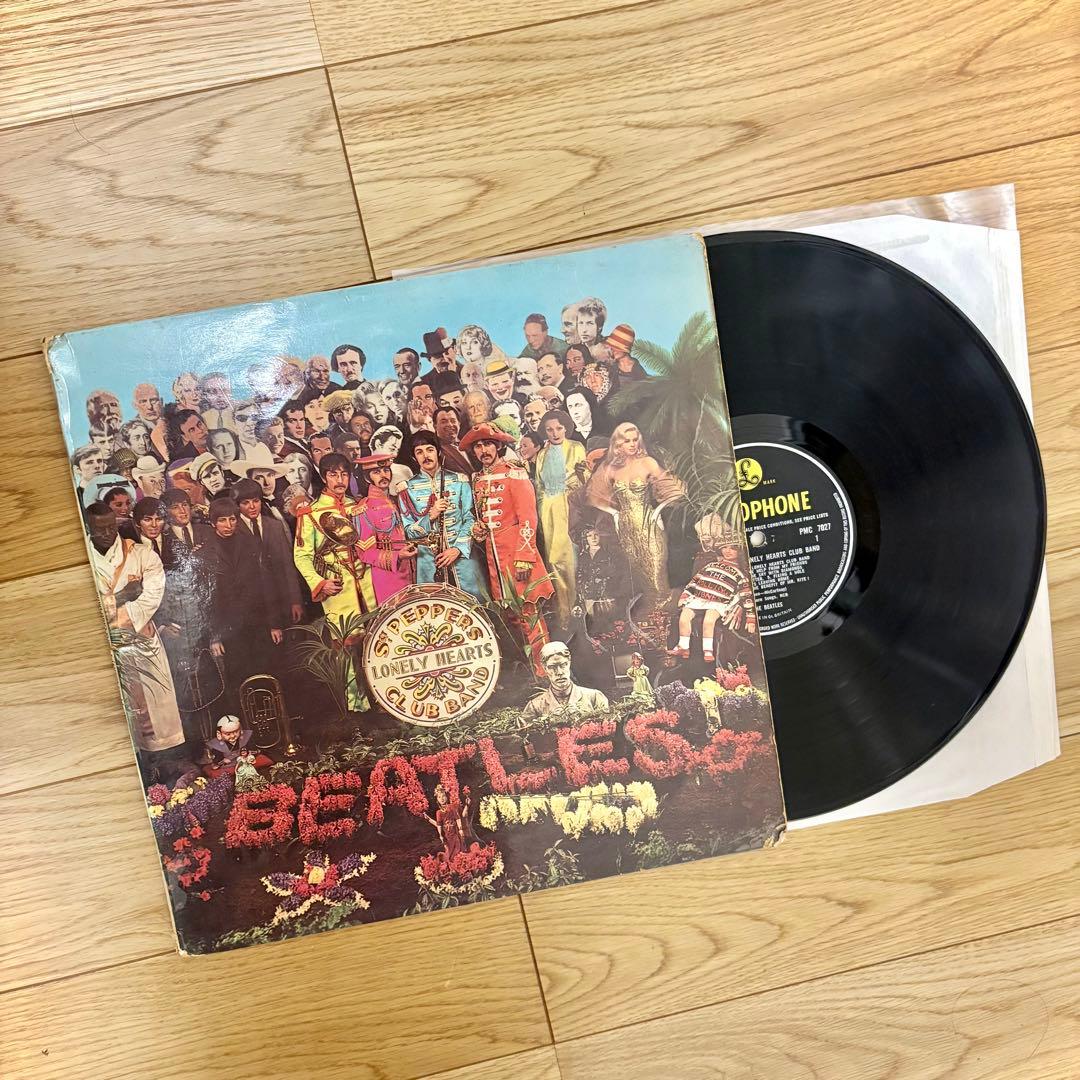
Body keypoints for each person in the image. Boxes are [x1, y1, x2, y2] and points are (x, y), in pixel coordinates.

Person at [87, 502, 185, 756]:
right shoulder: (84, 560)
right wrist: (121, 596)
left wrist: (108, 617)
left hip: (141, 638)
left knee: (157, 712)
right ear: (88, 528)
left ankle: (165, 759)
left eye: (111, 527)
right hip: (104, 647)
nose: (107, 533)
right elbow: (85, 609)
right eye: (99, 529)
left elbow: (150, 599)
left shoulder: (143, 555)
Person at [462, 424, 553, 674]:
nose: (483, 450)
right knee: (511, 615)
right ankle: (530, 671)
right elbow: (484, 517)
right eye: (478, 446)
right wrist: (479, 530)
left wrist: (525, 557)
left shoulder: (515, 474)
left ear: (499, 446)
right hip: (494, 557)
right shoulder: (478, 479)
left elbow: (528, 519)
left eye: (488, 444)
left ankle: (545, 670)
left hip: (517, 552)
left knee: (529, 612)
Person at [292, 453, 375, 710]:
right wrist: (320, 583)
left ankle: (383, 697)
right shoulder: (310, 513)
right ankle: (357, 706)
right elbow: (302, 557)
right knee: (347, 644)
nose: (339, 480)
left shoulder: (359, 505)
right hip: (337, 588)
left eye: (344, 474)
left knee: (377, 638)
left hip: (369, 583)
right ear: (323, 476)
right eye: (333, 474)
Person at [587, 422, 685, 607]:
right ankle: (652, 617)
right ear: (618, 444)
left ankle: (664, 614)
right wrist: (614, 514)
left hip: (649, 523)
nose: (632, 444)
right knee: (640, 573)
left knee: (657, 570)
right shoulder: (611, 468)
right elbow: (594, 496)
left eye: (635, 440)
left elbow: (676, 490)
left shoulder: (648, 462)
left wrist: (658, 510)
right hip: (626, 527)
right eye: (627, 441)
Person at [204, 497, 275, 707]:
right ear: (213, 523)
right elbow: (206, 598)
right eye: (222, 520)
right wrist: (214, 636)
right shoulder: (204, 552)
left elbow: (264, 583)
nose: (228, 525)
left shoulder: (250, 542)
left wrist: (273, 623)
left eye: (232, 519)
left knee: (264, 672)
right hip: (228, 628)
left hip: (257, 621)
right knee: (238, 677)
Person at [400, 432, 487, 599]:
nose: (426, 456)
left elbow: (470, 518)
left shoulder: (460, 480)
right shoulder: (407, 489)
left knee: (474, 604)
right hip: (429, 562)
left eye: (430, 449)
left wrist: (457, 549)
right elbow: (408, 531)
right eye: (419, 452)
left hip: (463, 558)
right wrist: (430, 517)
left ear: (438, 452)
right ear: (414, 457)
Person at [669, 526, 757, 662]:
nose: (728, 551)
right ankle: (683, 647)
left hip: (718, 602)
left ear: (740, 551)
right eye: (724, 547)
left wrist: (751, 618)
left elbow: (746, 596)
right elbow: (695, 581)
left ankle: (708, 651)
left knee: (709, 620)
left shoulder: (740, 574)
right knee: (684, 617)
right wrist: (685, 595)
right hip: (698, 598)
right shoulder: (710, 566)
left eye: (733, 548)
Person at [534, 410, 587, 624]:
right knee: (553, 559)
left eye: (559, 428)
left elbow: (585, 479)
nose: (555, 433)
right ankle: (563, 613)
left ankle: (578, 610)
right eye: (549, 430)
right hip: (548, 510)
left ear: (566, 428)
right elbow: (539, 486)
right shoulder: (542, 454)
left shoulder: (576, 447)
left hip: (569, 507)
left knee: (570, 558)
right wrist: (541, 512)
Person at [234, 478, 303, 634]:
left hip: (282, 599)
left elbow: (288, 566)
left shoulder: (275, 525)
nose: (252, 506)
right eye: (245, 503)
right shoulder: (234, 529)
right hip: (254, 607)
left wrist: (296, 601)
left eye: (256, 501)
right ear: (237, 505)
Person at [354, 454, 417, 602]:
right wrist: (397, 556)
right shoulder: (364, 509)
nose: (383, 475)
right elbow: (365, 552)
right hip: (387, 577)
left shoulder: (395, 500)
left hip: (410, 572)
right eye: (376, 472)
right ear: (367, 478)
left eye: (386, 470)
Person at [521, 641, 609, 720]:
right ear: (545, 668)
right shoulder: (535, 707)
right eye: (552, 667)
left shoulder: (594, 697)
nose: (559, 672)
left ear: (569, 663)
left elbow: (607, 727)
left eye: (563, 665)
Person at [423, 782, 477, 864]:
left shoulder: (452, 807)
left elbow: (458, 818)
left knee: (458, 849)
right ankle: (453, 864)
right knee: (450, 852)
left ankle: (459, 862)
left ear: (446, 797)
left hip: (455, 833)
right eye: (439, 797)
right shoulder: (438, 812)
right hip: (447, 836)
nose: (442, 799)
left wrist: (460, 829)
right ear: (437, 800)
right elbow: (439, 825)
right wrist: (429, 820)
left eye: (443, 796)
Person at [434, 405, 473, 476]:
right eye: (444, 422)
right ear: (435, 426)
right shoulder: (436, 450)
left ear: (459, 424)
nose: (449, 424)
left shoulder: (470, 444)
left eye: (453, 421)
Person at [133, 497, 169, 561]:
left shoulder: (173, 542)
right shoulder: (132, 546)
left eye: (159, 519)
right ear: (137, 522)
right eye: (147, 520)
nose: (154, 525)